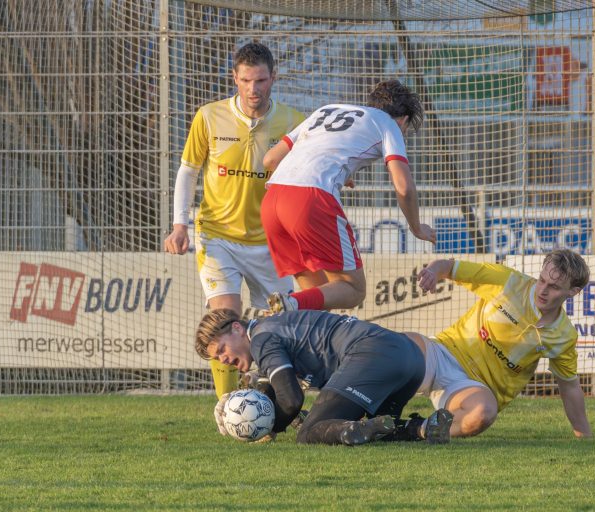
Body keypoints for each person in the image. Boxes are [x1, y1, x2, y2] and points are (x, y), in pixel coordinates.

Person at [163, 42, 305, 398]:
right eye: (245, 80)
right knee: (226, 317)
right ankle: (227, 405)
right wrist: (180, 225)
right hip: (217, 236)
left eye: (260, 81)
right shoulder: (209, 117)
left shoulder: (294, 122)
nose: (253, 89)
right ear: (234, 78)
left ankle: (269, 399)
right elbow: (188, 170)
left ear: (273, 77)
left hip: (271, 240)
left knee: (280, 325)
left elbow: (310, 168)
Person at [260, 79, 436, 314]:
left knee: (319, 301)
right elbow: (404, 187)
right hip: (310, 200)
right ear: (402, 120)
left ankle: (293, 316)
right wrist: (416, 228)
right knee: (353, 289)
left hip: (272, 201)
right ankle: (291, 304)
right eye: (404, 130)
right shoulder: (387, 123)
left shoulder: (325, 110)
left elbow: (270, 160)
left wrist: (331, 173)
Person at [195, 308, 453, 445]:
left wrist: (267, 426)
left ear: (237, 328)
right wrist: (237, 410)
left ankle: (353, 427)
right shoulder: (268, 329)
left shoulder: (261, 339)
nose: (224, 360)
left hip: (372, 354)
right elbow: (272, 391)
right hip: (410, 357)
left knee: (309, 433)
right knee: (380, 428)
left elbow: (290, 399)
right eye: (217, 359)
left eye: (221, 350)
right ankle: (421, 428)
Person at [407, 249, 593, 439]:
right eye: (541, 280)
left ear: (573, 292)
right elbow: (448, 267)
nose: (543, 290)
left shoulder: (564, 335)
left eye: (553, 287)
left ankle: (411, 430)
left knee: (482, 413)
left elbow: (569, 386)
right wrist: (432, 271)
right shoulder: (508, 282)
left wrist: (584, 435)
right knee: (398, 349)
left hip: (471, 390)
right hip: (443, 353)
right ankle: (376, 411)